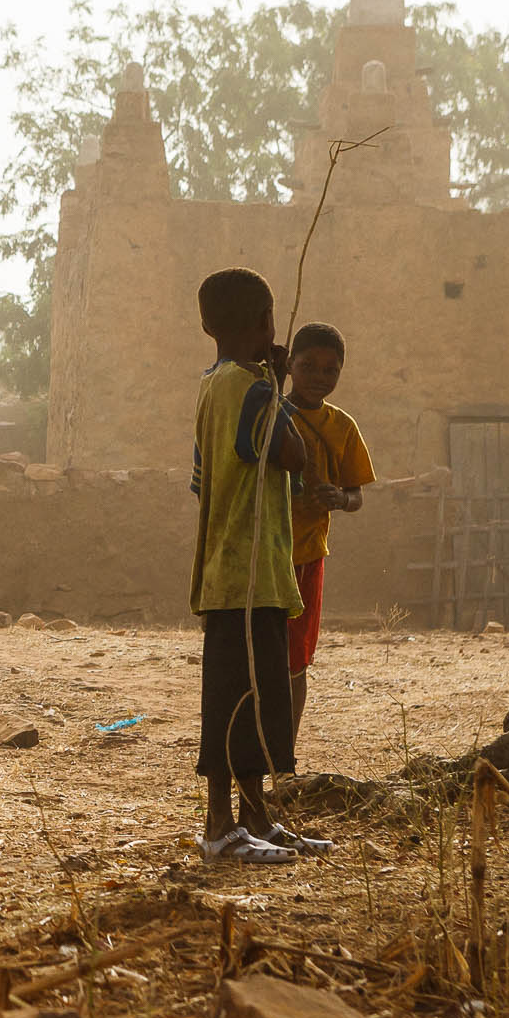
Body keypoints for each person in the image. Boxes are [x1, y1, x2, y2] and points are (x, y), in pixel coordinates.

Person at [189, 267, 332, 864]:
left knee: (251, 698)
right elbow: (292, 454)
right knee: (236, 703)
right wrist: (276, 384)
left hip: (236, 571)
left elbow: (202, 481)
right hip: (247, 575)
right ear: (265, 325)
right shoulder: (251, 392)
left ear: (207, 326)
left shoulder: (209, 387)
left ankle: (256, 819)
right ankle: (220, 829)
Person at [284, 323, 375, 766]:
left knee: (296, 663)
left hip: (307, 555)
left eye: (330, 370)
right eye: (308, 367)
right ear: (289, 366)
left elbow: (357, 494)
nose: (320, 377)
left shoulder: (342, 426)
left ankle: (286, 753)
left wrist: (339, 499)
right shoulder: (272, 415)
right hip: (266, 554)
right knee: (261, 660)